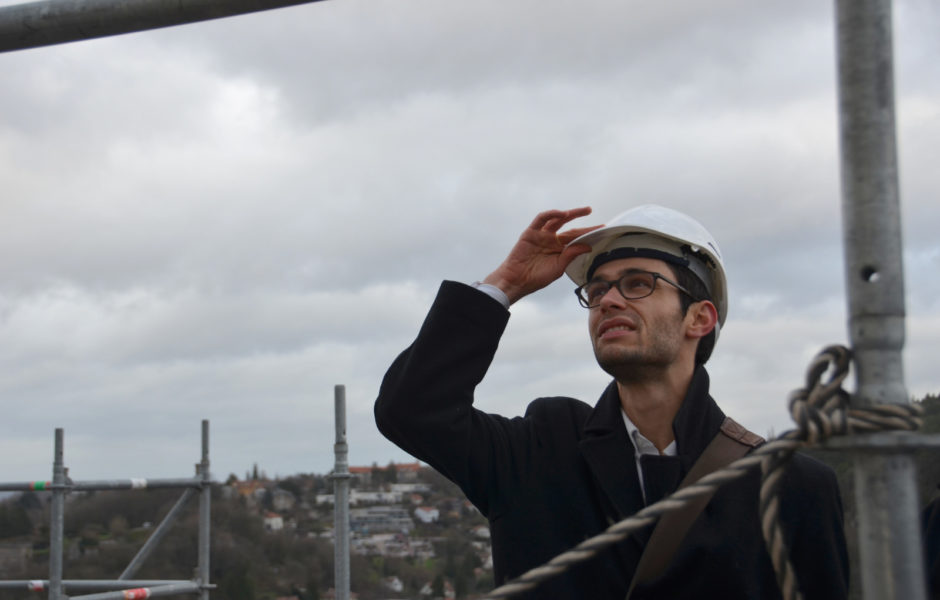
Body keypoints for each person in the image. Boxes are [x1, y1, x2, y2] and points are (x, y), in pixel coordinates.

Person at [375, 206, 849, 599]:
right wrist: (506, 285)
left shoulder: (791, 488)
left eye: (638, 283)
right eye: (597, 289)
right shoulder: (541, 449)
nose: (608, 301)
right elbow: (412, 410)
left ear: (699, 318)